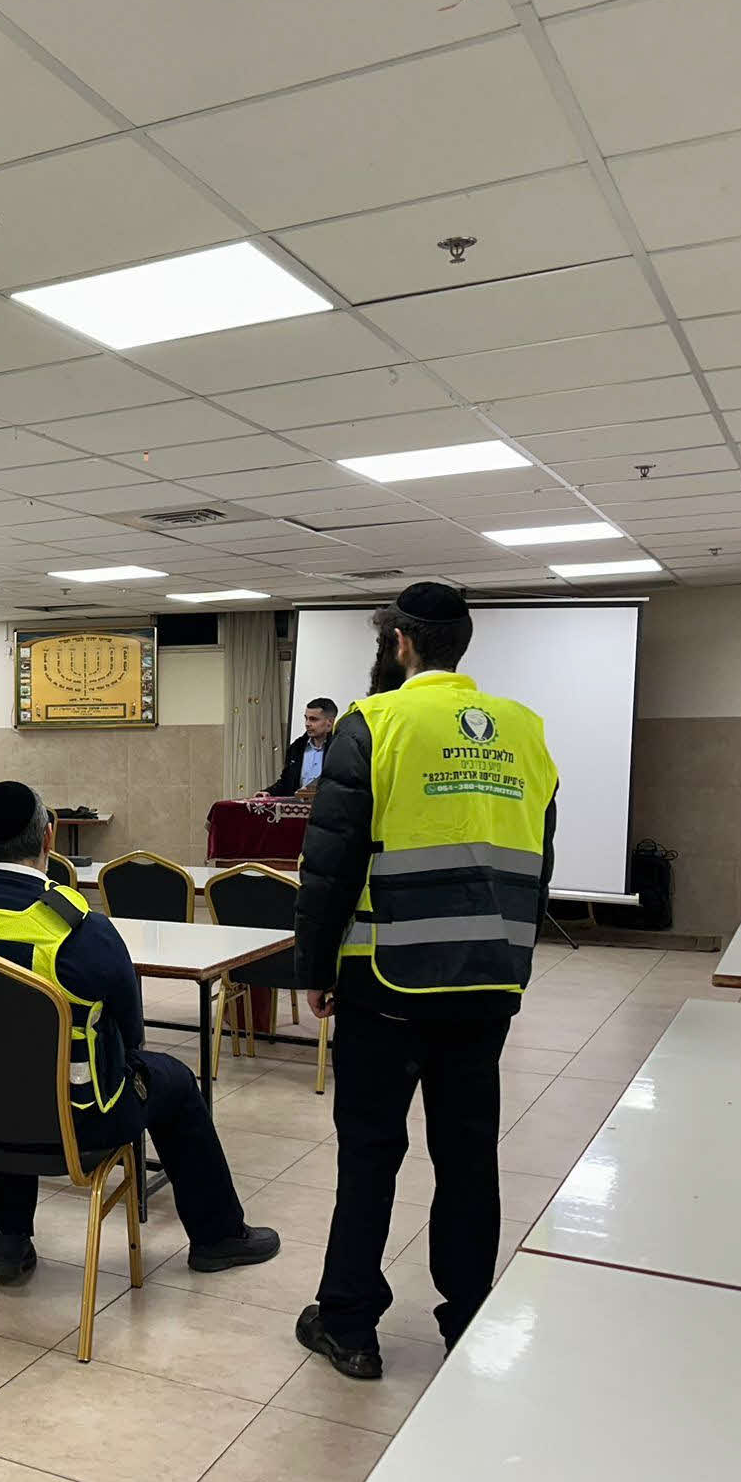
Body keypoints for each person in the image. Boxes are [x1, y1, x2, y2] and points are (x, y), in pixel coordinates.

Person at [292, 582, 559, 1380]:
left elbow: (331, 863)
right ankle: (470, 1319)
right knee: (469, 1155)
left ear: (401, 643)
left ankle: (349, 1326)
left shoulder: (373, 722)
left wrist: (315, 967)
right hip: (487, 980)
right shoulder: (525, 728)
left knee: (370, 1151)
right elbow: (538, 858)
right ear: (461, 644)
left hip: (387, 980)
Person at [0, 781, 280, 1282]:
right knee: (172, 1080)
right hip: (76, 1122)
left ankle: (9, 1241)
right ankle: (219, 1237)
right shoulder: (78, 926)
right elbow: (131, 1030)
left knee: (1, 1064)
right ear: (49, 836)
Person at [264, 698, 339, 798]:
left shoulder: (340, 749)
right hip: (297, 806)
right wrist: (268, 792)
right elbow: (286, 782)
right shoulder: (296, 747)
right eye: (306, 718)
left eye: (313, 719)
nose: (307, 724)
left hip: (328, 806)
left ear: (330, 723)